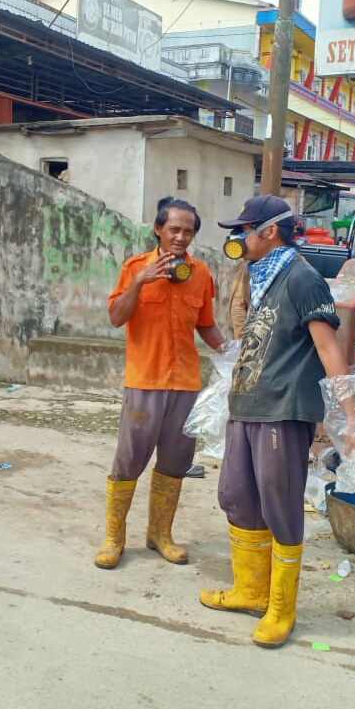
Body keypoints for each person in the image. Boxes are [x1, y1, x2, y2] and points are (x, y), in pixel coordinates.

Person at [201, 195, 355, 648]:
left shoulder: (302, 278)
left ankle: (281, 607)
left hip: (284, 409)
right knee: (235, 496)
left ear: (269, 231)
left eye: (243, 230)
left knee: (279, 505)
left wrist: (351, 418)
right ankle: (250, 591)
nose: (238, 238)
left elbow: (330, 349)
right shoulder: (261, 275)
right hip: (247, 406)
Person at [94, 196, 226, 570]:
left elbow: (205, 323)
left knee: (176, 461)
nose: (181, 237)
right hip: (145, 381)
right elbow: (116, 317)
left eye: (188, 231)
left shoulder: (200, 274)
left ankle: (160, 535)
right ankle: (114, 538)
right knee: (128, 461)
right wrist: (139, 282)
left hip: (185, 383)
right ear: (158, 230)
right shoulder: (135, 268)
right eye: (174, 230)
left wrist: (229, 351)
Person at [228, 215, 305, 339]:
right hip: (256, 343)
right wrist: (244, 343)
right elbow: (238, 306)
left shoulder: (300, 267)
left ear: (272, 232)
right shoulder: (247, 267)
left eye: (247, 232)